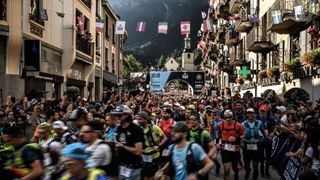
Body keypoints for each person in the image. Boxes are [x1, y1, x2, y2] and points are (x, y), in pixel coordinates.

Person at [113, 105, 144, 180]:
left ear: (126, 115)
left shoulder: (136, 129)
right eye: (116, 115)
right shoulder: (119, 128)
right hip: (121, 166)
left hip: (133, 167)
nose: (117, 117)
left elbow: (138, 151)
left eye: (119, 115)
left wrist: (123, 146)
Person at [137, 111, 167, 180]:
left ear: (146, 119)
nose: (138, 121)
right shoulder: (138, 129)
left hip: (154, 157)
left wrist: (159, 146)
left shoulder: (154, 128)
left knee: (153, 176)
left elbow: (165, 138)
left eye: (140, 119)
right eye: (137, 119)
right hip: (143, 157)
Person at [187, 114, 217, 180]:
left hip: (201, 162)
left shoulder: (204, 133)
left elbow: (213, 147)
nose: (191, 120)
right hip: (190, 162)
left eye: (193, 119)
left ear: (198, 121)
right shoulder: (187, 132)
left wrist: (208, 156)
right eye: (190, 119)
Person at [217, 110, 244, 180]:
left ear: (232, 117)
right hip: (225, 149)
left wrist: (236, 138)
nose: (228, 119)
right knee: (227, 170)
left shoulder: (238, 125)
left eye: (230, 117)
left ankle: (236, 175)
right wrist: (217, 143)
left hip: (235, 149)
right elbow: (218, 134)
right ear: (224, 117)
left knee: (235, 168)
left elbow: (243, 135)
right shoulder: (220, 124)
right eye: (226, 117)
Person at [241, 108, 266, 180]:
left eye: (252, 113)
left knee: (255, 165)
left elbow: (263, 131)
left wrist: (266, 137)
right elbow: (240, 135)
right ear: (246, 114)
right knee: (247, 164)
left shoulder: (259, 122)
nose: (250, 115)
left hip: (256, 145)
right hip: (246, 145)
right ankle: (248, 171)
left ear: (254, 114)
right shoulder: (243, 124)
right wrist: (241, 141)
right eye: (248, 113)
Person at [209, 109, 222, 176]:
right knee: (213, 156)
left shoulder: (223, 121)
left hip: (222, 140)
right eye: (213, 115)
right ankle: (218, 166)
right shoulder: (212, 121)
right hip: (214, 140)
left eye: (215, 115)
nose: (214, 116)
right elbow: (211, 131)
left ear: (219, 115)